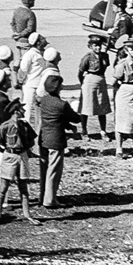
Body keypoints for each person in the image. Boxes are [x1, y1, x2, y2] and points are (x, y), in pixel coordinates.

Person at [0, 100, 41, 226]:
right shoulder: (5, 126)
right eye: (22, 109)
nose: (24, 111)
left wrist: (25, 151)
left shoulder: (25, 126)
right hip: (10, 156)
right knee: (3, 188)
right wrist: (7, 152)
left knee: (24, 188)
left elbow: (32, 141)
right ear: (16, 111)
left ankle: (27, 215)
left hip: (22, 156)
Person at [34, 72, 80, 209]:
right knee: (54, 170)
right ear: (57, 87)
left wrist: (67, 124)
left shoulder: (43, 101)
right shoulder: (62, 104)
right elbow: (75, 118)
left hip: (43, 138)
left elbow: (57, 117)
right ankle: (50, 199)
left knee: (44, 169)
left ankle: (42, 196)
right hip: (56, 140)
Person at [77, 34, 111, 153]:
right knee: (86, 107)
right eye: (95, 46)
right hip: (89, 81)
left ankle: (103, 131)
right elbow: (80, 72)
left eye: (99, 45)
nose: (97, 48)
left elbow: (105, 67)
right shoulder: (87, 57)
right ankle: (84, 131)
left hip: (101, 80)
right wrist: (83, 83)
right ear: (90, 46)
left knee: (102, 107)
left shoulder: (105, 56)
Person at [111, 41, 133, 157]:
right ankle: (119, 149)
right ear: (126, 50)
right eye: (132, 49)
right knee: (121, 121)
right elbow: (114, 82)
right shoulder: (122, 64)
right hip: (125, 93)